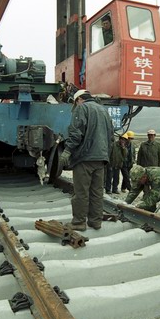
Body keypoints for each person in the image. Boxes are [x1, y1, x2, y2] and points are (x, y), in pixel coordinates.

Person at [59, 89, 113, 231]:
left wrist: (67, 151)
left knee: (81, 192)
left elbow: (76, 133)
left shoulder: (82, 108)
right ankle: (95, 221)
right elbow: (111, 136)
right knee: (96, 192)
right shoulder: (103, 111)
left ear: (79, 99)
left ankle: (79, 223)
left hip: (85, 158)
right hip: (101, 158)